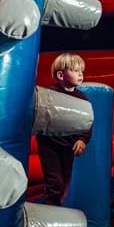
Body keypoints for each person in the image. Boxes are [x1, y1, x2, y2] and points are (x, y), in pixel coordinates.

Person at [36, 53, 91, 206]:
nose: (80, 74)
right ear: (61, 75)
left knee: (66, 182)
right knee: (55, 182)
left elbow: (87, 122)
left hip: (68, 147)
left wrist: (82, 139)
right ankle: (50, 208)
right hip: (50, 146)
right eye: (75, 71)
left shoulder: (81, 98)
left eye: (82, 71)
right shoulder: (50, 94)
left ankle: (57, 207)